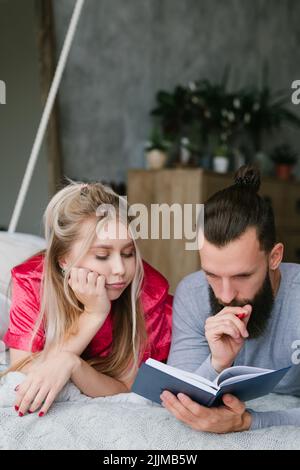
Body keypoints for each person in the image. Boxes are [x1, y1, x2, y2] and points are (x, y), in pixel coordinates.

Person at [2, 182, 172, 417]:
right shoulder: (32, 281)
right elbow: (26, 378)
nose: (119, 269)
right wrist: (92, 314)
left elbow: (124, 388)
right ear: (63, 260)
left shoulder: (146, 293)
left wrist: (73, 364)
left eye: (128, 253)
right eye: (102, 255)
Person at [165, 165, 300, 433]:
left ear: (274, 257)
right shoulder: (191, 294)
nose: (225, 296)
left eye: (242, 276)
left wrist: (248, 421)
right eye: (212, 275)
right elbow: (179, 402)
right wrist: (216, 363)